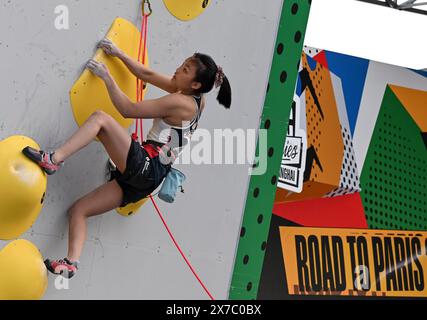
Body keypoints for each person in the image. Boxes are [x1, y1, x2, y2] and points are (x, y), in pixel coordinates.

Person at [22, 38, 232, 279]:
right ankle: (71, 262)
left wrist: (106, 77)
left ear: (195, 83)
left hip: (147, 165)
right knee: (79, 210)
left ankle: (53, 159)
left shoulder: (179, 102)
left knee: (101, 119)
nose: (177, 69)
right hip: (149, 179)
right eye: (182, 64)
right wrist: (118, 53)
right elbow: (147, 73)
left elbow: (128, 110)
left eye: (184, 69)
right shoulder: (197, 100)